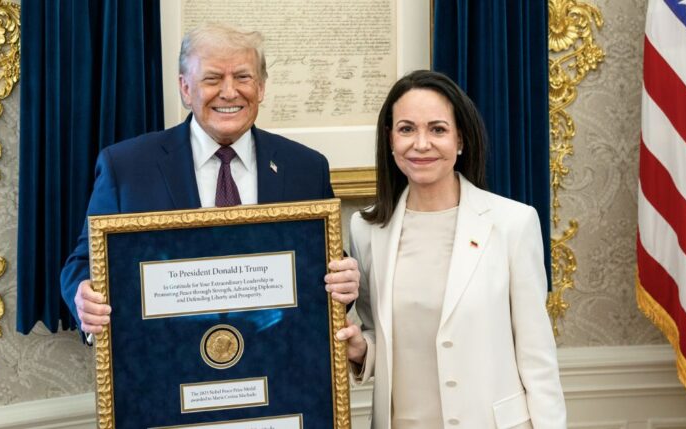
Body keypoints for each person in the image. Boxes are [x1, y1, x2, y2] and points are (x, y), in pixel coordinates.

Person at [60, 23, 359, 337]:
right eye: (212, 79)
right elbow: (85, 262)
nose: (229, 92)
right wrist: (84, 297)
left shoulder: (306, 168)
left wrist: (345, 281)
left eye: (243, 77)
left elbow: (324, 267)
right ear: (185, 88)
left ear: (261, 87)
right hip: (166, 356)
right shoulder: (126, 168)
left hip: (277, 356)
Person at [336, 70, 566, 428]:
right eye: (407, 129)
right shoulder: (366, 229)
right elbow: (380, 334)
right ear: (390, 139)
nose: (421, 144)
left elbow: (537, 356)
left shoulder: (513, 224)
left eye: (438, 130)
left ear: (460, 140)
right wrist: (361, 350)